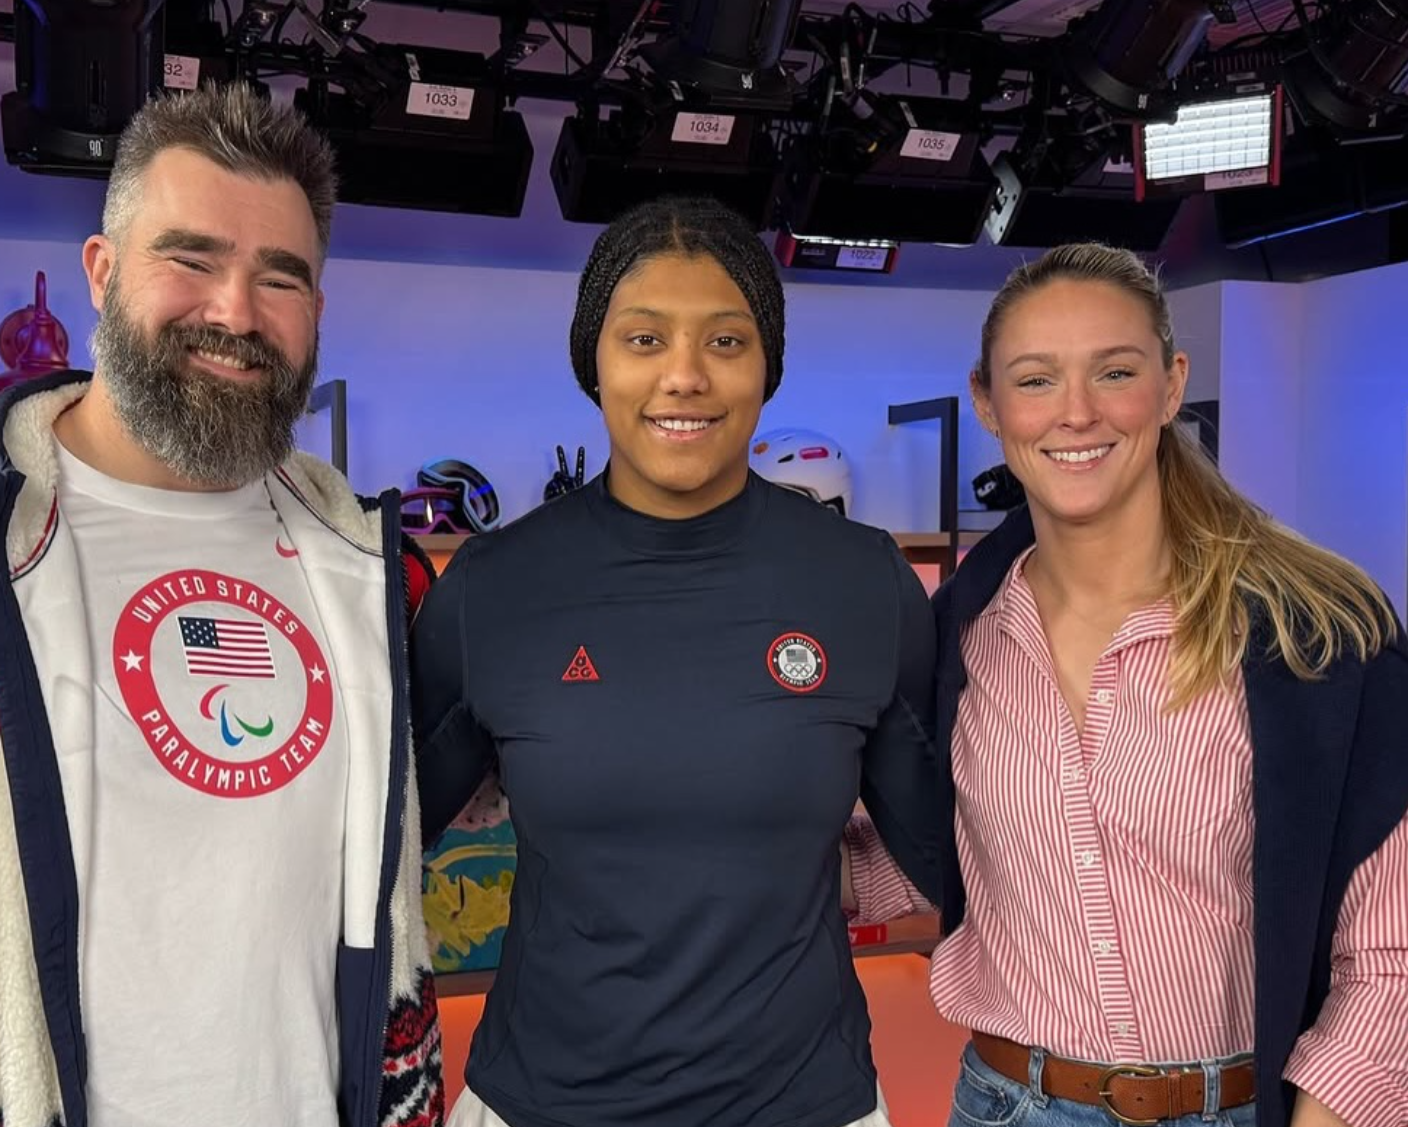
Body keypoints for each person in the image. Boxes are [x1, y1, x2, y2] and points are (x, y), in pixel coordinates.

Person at [0, 83, 443, 1127]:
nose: (235, 312)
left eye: (280, 277)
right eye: (192, 258)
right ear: (102, 268)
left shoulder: (372, 573)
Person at [844, 243, 1408, 1127]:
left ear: (1172, 383)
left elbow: (1391, 953)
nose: (1076, 413)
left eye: (1114, 371)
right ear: (989, 402)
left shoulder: (1322, 637)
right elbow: (930, 867)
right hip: (1007, 1105)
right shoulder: (952, 639)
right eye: (1035, 380)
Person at [410, 195, 944, 1127]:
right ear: (595, 361)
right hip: (544, 1101)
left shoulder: (863, 581)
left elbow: (956, 852)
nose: (685, 376)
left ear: (767, 364)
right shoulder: (494, 587)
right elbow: (373, 843)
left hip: (804, 1105)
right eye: (645, 339)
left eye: (726, 342)